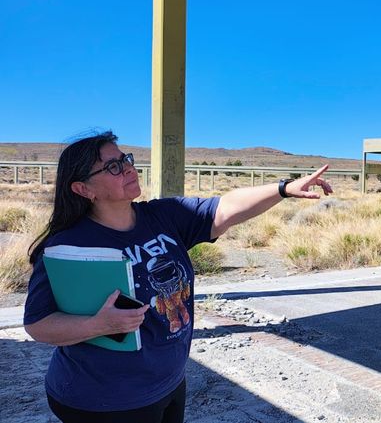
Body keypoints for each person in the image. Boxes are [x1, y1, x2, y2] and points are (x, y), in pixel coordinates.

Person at [24, 131, 333, 423]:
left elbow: (224, 208)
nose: (129, 169)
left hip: (169, 382)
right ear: (83, 189)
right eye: (113, 167)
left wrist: (283, 188)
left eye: (126, 159)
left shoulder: (163, 216)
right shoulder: (66, 246)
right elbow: (38, 324)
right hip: (103, 400)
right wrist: (98, 325)